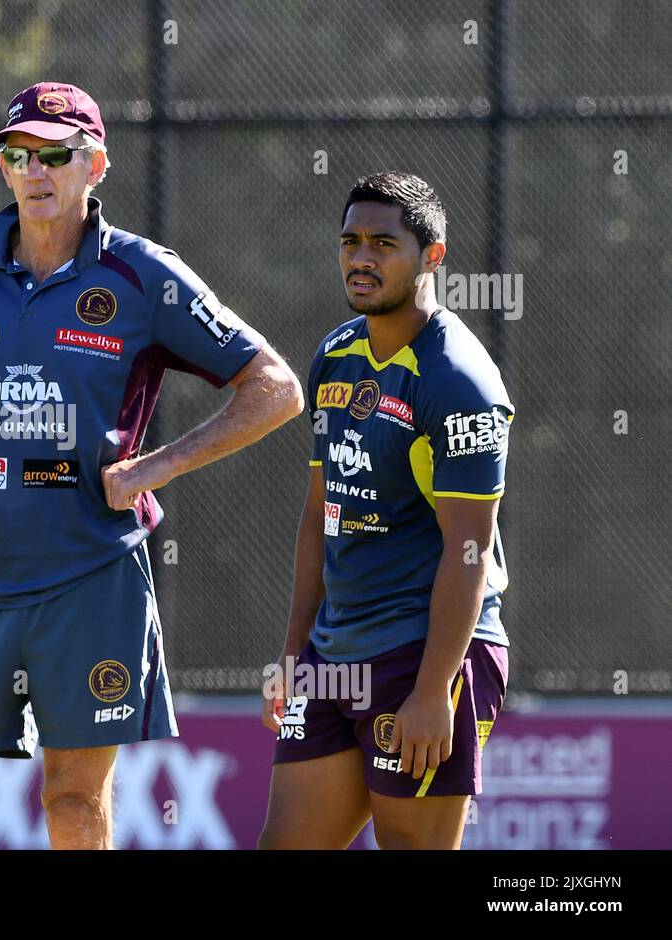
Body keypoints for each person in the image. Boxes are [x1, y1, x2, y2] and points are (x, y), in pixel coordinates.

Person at [0, 82, 303, 849]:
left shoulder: (141, 275)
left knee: (75, 804)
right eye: (19, 156)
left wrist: (155, 467)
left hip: (94, 580)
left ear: (96, 166)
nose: (35, 171)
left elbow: (276, 389)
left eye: (55, 155)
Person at [259, 171, 513, 849]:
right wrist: (293, 655)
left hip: (424, 657)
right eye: (350, 242)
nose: (361, 258)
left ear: (433, 256)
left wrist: (435, 691)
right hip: (333, 656)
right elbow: (321, 515)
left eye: (383, 243)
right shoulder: (335, 356)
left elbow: (471, 550)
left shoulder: (460, 381)